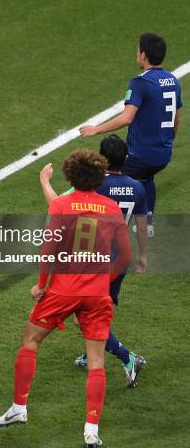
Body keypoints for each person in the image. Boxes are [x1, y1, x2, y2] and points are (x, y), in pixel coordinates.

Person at [0, 150, 132, 448]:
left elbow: (48, 251)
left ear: (70, 175)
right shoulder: (111, 208)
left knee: (30, 341)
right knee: (96, 361)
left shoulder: (61, 204)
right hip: (97, 294)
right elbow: (126, 257)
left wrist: (41, 285)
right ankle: (91, 430)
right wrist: (103, 282)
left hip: (62, 290)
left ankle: (19, 408)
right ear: (99, 176)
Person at [39, 135, 147, 387]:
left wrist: (44, 180)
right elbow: (142, 226)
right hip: (118, 260)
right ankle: (93, 352)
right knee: (97, 312)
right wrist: (142, 255)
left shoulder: (95, 185)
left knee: (83, 316)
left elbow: (58, 204)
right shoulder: (137, 187)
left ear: (102, 160)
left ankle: (128, 358)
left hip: (93, 260)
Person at [80, 33, 183, 236]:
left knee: (108, 177)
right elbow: (176, 119)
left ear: (144, 55)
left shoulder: (140, 82)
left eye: (138, 50)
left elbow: (127, 118)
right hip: (163, 154)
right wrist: (167, 143)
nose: (136, 53)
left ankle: (104, 225)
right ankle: (148, 224)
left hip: (140, 155)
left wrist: (96, 129)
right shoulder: (173, 80)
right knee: (146, 178)